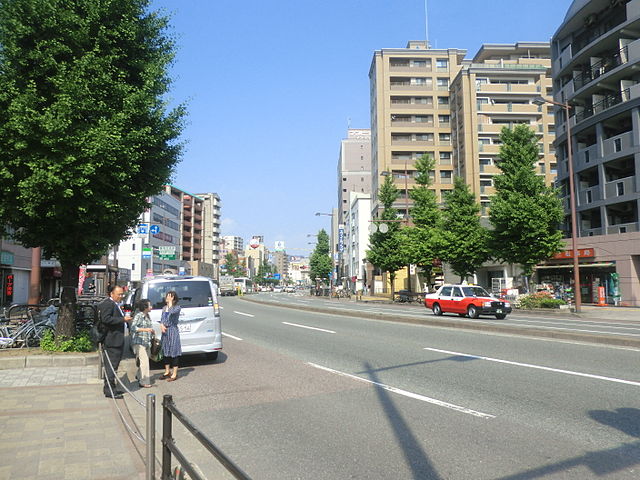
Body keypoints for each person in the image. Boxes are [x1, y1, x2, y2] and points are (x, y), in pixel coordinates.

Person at [98, 285, 132, 398]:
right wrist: (122, 319)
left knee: (114, 366)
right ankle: (109, 391)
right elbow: (106, 319)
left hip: (116, 339)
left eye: (122, 294)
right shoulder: (108, 304)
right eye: (119, 294)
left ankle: (111, 388)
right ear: (111, 294)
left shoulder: (115, 304)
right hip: (112, 340)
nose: (121, 296)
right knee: (111, 366)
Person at [130, 299, 154, 388]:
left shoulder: (147, 316)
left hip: (146, 341)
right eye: (149, 305)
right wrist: (145, 329)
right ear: (145, 307)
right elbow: (133, 327)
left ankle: (139, 375)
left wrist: (151, 331)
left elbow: (148, 327)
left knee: (144, 360)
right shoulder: (139, 316)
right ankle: (144, 381)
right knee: (145, 362)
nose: (151, 307)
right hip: (139, 342)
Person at [160, 291, 182, 382]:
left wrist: (170, 303)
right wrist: (161, 325)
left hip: (173, 330)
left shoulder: (177, 307)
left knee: (174, 351)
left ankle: (174, 373)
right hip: (165, 331)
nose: (167, 298)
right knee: (165, 351)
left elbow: (172, 312)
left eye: (170, 297)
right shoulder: (164, 308)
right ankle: (167, 371)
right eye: (167, 296)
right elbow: (162, 318)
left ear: (174, 298)